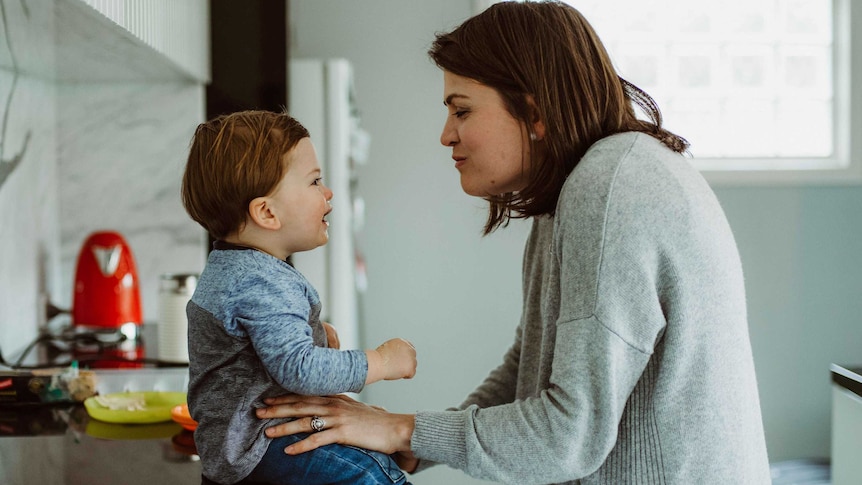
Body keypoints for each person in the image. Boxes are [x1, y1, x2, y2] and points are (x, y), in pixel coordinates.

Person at [255, 2, 771, 484]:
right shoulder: (585, 185)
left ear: (535, 111)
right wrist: (420, 439)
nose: (445, 135)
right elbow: (530, 366)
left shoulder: (610, 187)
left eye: (462, 111)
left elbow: (568, 436)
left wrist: (403, 428)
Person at [180, 110, 417, 485]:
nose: (328, 192)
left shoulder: (233, 268)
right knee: (373, 475)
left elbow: (250, 342)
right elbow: (300, 369)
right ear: (267, 212)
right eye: (315, 181)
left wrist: (311, 331)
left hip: (235, 445)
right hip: (262, 445)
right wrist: (382, 361)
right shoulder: (261, 281)